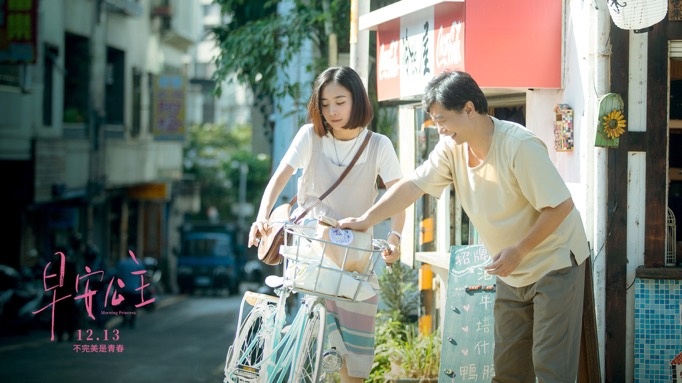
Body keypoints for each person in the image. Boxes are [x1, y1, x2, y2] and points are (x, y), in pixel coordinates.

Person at [339, 70, 590, 383]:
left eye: (442, 119)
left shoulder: (518, 146)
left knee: (551, 369)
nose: (440, 129)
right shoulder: (451, 149)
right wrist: (366, 220)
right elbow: (412, 187)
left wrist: (518, 250)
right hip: (512, 270)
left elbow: (561, 206)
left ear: (469, 109)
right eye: (435, 120)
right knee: (509, 369)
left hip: (554, 262)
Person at [248, 66, 405, 383]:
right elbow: (278, 179)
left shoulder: (379, 145)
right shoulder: (310, 137)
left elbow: (399, 196)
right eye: (324, 103)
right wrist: (262, 217)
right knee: (312, 354)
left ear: (357, 100)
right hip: (313, 258)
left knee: (355, 365)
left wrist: (395, 237)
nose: (331, 111)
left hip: (356, 262)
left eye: (340, 101)